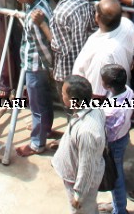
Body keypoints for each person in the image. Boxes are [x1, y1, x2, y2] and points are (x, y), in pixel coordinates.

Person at [52, 73, 107, 213]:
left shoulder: (86, 132)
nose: (61, 95)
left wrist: (79, 195)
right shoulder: (91, 108)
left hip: (80, 184)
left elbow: (86, 166)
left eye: (63, 93)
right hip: (73, 175)